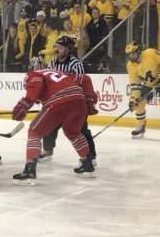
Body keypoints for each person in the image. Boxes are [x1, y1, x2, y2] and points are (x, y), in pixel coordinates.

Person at [9, 69, 98, 186]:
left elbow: (36, 85)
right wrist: (90, 98)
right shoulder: (61, 73)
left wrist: (27, 102)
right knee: (73, 133)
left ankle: (29, 171)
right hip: (79, 101)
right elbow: (86, 79)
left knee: (34, 131)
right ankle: (87, 165)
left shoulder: (32, 74)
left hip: (58, 102)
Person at [38, 35, 96, 164]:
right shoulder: (52, 63)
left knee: (81, 129)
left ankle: (90, 156)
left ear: (68, 49)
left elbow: (81, 84)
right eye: (56, 47)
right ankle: (47, 151)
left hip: (74, 103)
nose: (57, 50)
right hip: (58, 102)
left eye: (60, 47)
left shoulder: (76, 64)